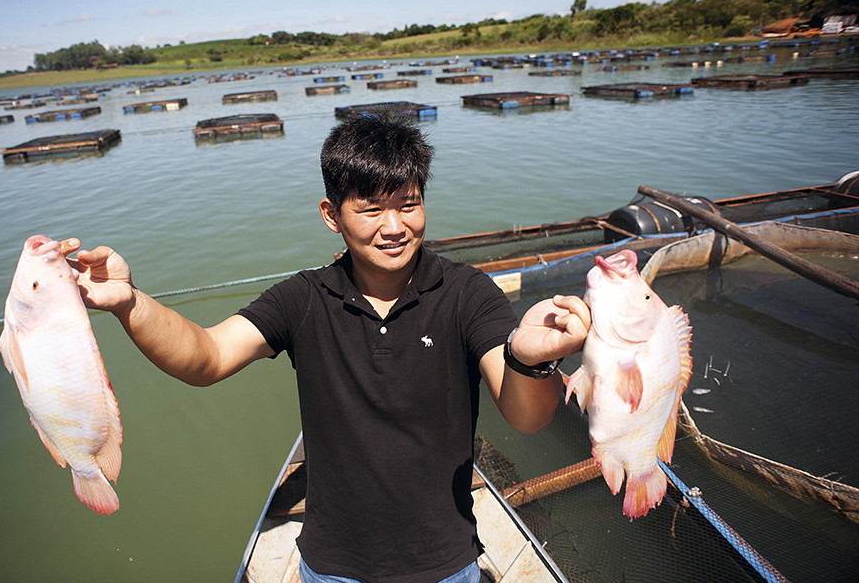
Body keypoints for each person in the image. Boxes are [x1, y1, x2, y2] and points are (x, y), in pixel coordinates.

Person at [65, 111, 591, 583]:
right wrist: (128, 301)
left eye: (409, 204)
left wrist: (529, 355)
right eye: (370, 210)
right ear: (331, 214)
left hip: (444, 563)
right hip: (334, 566)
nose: (394, 227)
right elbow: (206, 357)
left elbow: (526, 417)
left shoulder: (466, 293)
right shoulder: (303, 298)